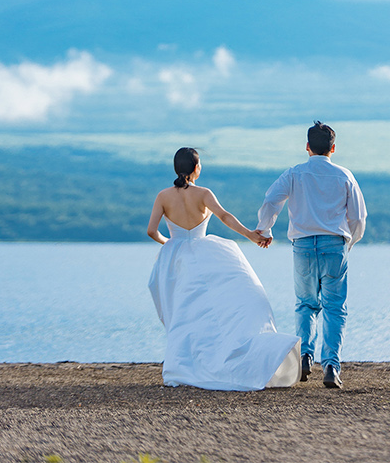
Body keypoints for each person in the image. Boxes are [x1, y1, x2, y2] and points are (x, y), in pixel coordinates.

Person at [146, 147, 301, 390]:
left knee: (185, 311)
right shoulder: (203, 193)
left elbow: (151, 231)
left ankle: (184, 362)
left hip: (176, 259)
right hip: (205, 252)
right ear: (197, 168)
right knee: (218, 305)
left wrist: (169, 244)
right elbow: (225, 216)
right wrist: (251, 235)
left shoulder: (163, 196)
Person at [256, 121, 368, 390]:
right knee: (334, 308)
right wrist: (348, 243)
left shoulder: (295, 174)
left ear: (307, 147)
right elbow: (359, 217)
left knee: (306, 304)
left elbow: (271, 199)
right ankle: (331, 366)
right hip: (335, 245)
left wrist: (265, 228)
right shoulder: (344, 176)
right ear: (333, 148)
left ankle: (305, 356)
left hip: (303, 246)